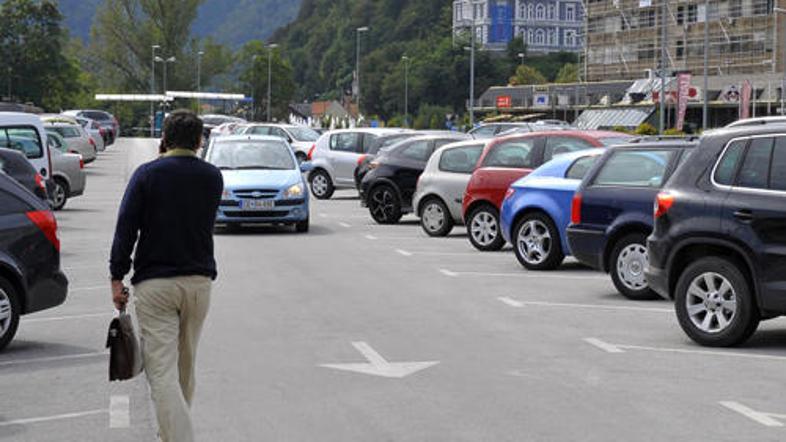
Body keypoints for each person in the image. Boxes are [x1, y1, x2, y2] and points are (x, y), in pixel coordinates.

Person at [110, 110, 223, 442]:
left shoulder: (147, 175)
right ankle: (171, 433)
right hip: (199, 284)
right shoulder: (213, 177)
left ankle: (178, 437)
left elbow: (125, 230)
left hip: (156, 284)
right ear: (200, 140)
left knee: (162, 372)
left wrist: (117, 277)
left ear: (164, 138)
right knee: (185, 367)